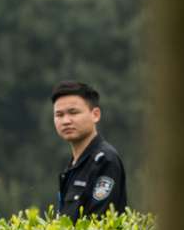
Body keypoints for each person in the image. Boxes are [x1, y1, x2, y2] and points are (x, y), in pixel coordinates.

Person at [51, 80, 127, 220]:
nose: (66, 120)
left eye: (73, 112)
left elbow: (99, 224)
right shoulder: (74, 165)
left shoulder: (105, 160)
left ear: (95, 115)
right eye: (59, 115)